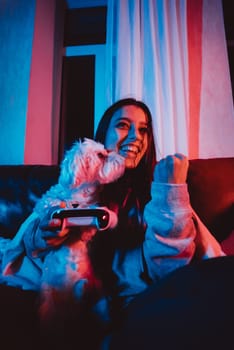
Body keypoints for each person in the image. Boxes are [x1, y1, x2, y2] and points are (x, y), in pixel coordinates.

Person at [0, 98, 224, 349]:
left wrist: (170, 191)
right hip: (72, 302)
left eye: (143, 129)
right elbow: (29, 237)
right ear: (103, 135)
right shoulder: (75, 186)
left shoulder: (157, 190)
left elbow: (170, 270)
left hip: (138, 307)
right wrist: (44, 236)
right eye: (123, 125)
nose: (135, 136)